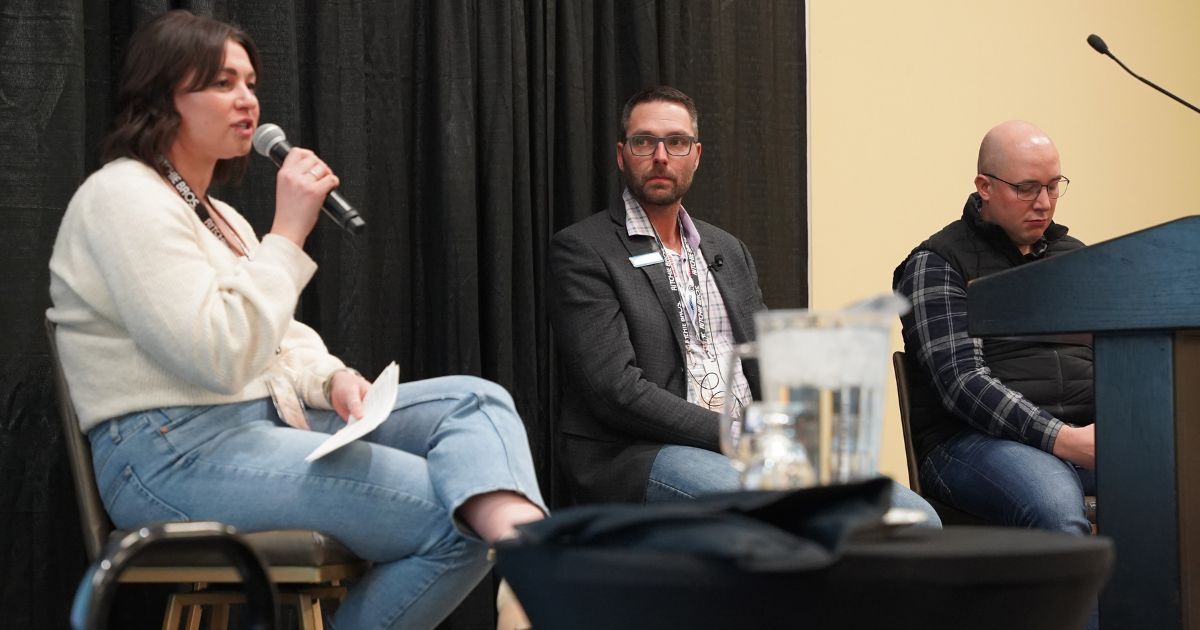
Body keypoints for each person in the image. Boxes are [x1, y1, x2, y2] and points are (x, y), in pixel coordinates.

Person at [46, 11, 545, 629]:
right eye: (223, 83)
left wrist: (329, 379)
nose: (247, 100)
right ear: (162, 96)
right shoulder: (122, 196)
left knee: (475, 399)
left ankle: (532, 566)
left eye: (251, 83)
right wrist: (287, 232)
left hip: (264, 422)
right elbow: (217, 353)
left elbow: (279, 341)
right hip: (168, 454)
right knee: (452, 516)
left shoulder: (218, 213)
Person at [548, 85, 939, 526]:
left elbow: (769, 362)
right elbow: (615, 392)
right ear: (622, 155)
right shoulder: (585, 249)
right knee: (794, 517)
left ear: (695, 155)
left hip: (758, 447)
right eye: (644, 142)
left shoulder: (725, 248)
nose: (661, 156)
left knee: (914, 515)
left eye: (676, 142)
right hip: (646, 452)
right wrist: (742, 436)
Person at [892, 120, 1095, 536]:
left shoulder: (1078, 259)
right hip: (972, 442)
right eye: (1027, 188)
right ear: (985, 187)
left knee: (1176, 482)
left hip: (1080, 435)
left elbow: (1119, 358)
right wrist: (1064, 440)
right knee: (1054, 505)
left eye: (1053, 186)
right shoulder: (937, 263)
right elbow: (962, 382)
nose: (1044, 203)